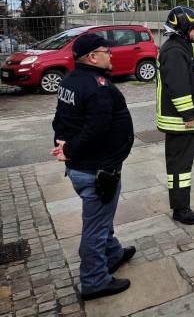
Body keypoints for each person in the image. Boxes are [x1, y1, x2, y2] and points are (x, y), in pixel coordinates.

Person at [51, 33, 135, 301]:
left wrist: (63, 145)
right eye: (106, 50)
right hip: (97, 171)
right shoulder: (96, 86)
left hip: (83, 168)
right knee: (95, 228)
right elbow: (95, 130)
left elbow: (60, 121)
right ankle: (94, 281)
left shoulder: (71, 81)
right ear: (92, 57)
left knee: (101, 217)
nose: (111, 54)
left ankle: (113, 254)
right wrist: (70, 150)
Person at [157, 6, 194, 225]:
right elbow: (178, 87)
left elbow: (186, 82)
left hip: (181, 119)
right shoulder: (174, 51)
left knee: (182, 166)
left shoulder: (179, 47)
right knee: (179, 168)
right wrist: (188, 115)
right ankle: (180, 209)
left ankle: (181, 205)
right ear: (184, 28)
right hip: (179, 121)